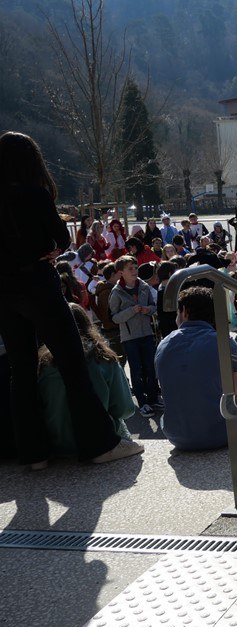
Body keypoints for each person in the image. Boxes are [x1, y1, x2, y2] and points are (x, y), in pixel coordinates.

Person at [0, 131, 135, 468]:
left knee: (21, 369)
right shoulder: (35, 194)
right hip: (37, 284)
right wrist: (48, 247)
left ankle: (33, 453)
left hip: (4, 290)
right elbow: (60, 237)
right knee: (72, 362)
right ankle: (98, 444)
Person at [37, 303, 142, 459]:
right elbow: (125, 409)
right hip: (99, 441)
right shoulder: (104, 358)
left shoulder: (43, 364)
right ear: (88, 325)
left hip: (56, 443)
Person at [155, 284, 237, 450]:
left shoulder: (164, 344)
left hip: (176, 435)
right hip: (221, 434)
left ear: (185, 312)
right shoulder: (223, 341)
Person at [108, 254, 159, 417]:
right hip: (130, 338)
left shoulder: (143, 286)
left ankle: (153, 398)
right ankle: (142, 403)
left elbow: (153, 306)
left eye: (135, 267)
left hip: (147, 333)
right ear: (121, 272)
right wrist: (131, 311)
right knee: (136, 371)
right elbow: (114, 317)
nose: (134, 270)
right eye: (130, 268)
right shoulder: (116, 292)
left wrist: (148, 310)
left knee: (151, 367)